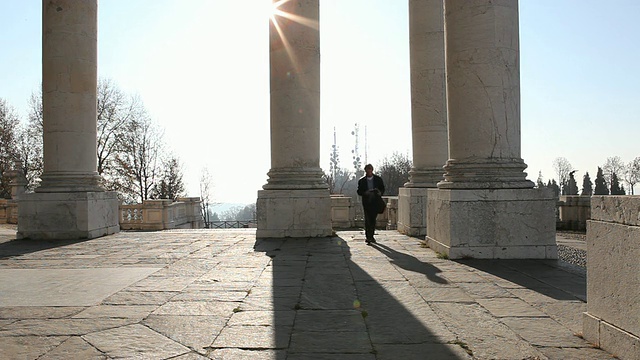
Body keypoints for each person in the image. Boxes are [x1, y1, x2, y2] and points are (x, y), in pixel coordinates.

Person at [357, 164, 385, 244]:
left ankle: (371, 235)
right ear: (365, 171)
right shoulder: (362, 181)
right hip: (367, 201)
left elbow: (382, 188)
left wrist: (379, 192)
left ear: (372, 170)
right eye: (367, 170)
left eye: (370, 170)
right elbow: (359, 191)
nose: (369, 171)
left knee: (373, 219)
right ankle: (368, 236)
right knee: (367, 219)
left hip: (375, 201)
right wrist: (365, 192)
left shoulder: (378, 179)